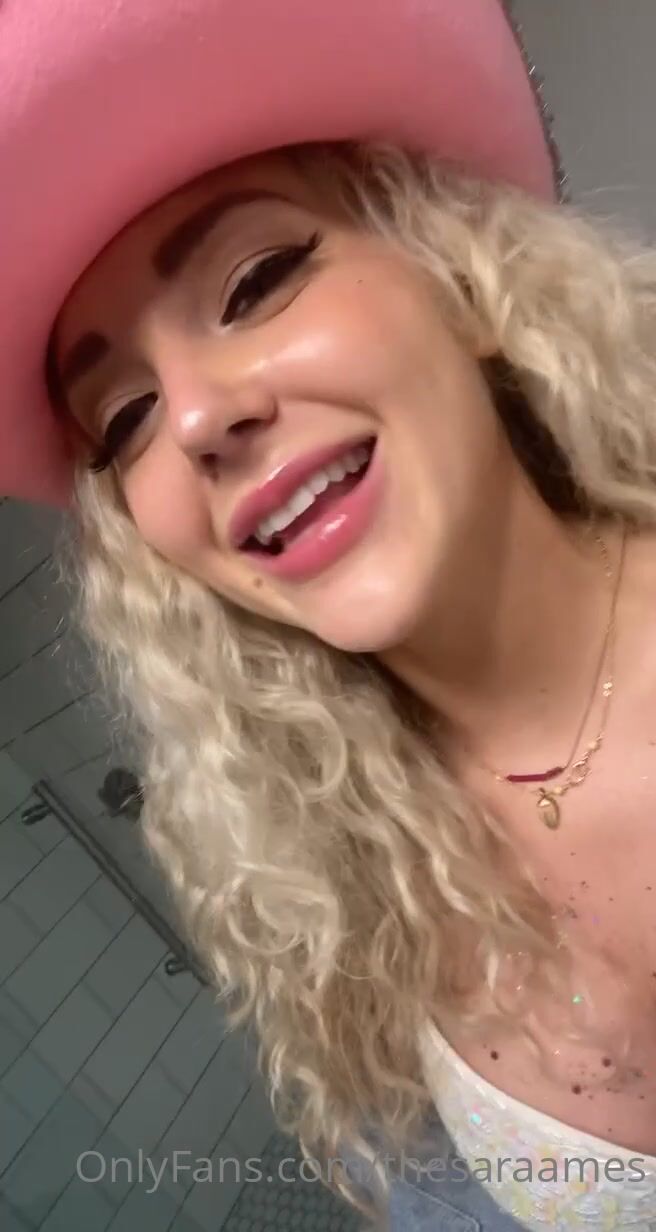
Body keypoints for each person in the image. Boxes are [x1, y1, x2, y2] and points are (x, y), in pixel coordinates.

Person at [2, 1, 656, 1228]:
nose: (197, 419)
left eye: (255, 280)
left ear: (458, 278)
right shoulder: (332, 897)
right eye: (126, 418)